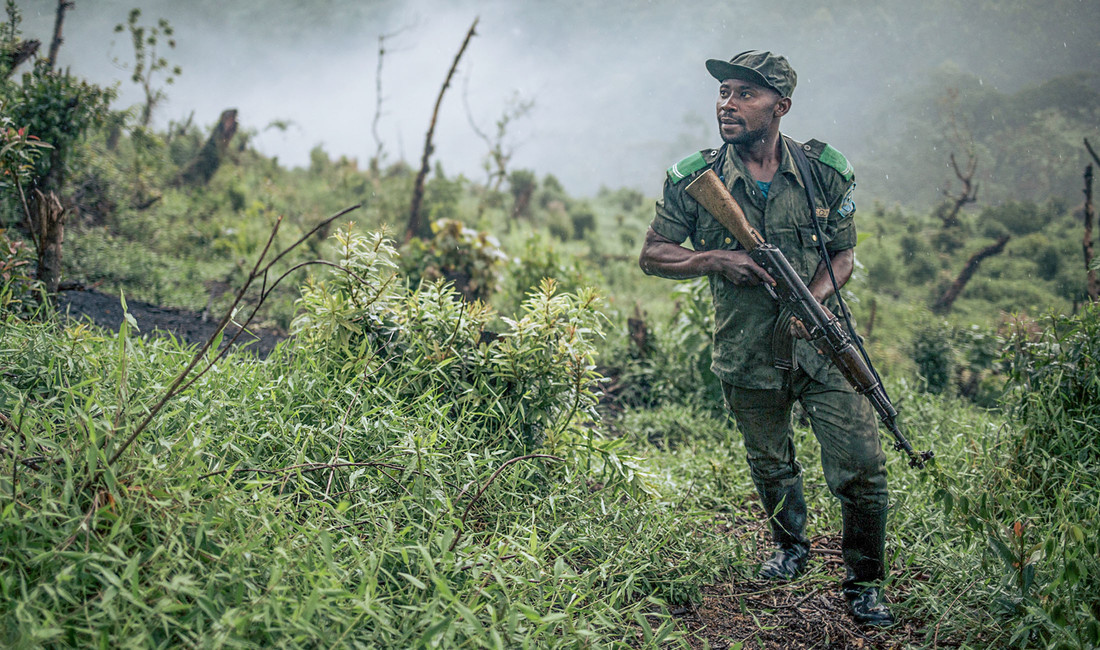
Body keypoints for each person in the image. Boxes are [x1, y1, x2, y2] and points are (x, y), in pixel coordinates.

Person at [638, 50, 894, 627]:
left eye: (744, 94)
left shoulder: (825, 170)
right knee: (770, 462)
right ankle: (791, 547)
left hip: (823, 345)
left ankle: (865, 582)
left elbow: (845, 255)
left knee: (862, 466)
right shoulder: (694, 178)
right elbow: (652, 254)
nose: (727, 104)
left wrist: (813, 303)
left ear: (781, 107)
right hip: (747, 349)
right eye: (724, 92)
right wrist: (715, 258)